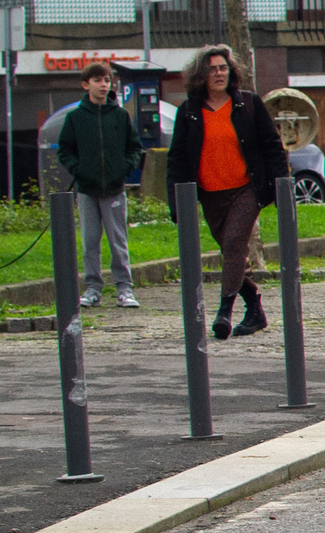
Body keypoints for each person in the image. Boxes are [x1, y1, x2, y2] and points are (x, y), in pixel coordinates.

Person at [167, 45, 288, 340]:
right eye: (212, 69)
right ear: (201, 75)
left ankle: (224, 311)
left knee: (235, 244)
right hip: (211, 194)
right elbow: (178, 158)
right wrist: (176, 201)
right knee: (230, 254)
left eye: (223, 68)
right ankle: (255, 309)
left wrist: (278, 186)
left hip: (246, 189)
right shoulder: (189, 112)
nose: (219, 74)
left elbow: (272, 146)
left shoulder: (248, 104)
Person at [55, 61, 143, 308]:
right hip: (86, 189)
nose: (104, 85)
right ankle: (93, 288)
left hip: (114, 188)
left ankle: (124, 288)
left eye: (107, 80)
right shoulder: (76, 118)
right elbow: (65, 150)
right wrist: (78, 171)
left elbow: (134, 147)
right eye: (98, 80)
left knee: (118, 240)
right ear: (86, 85)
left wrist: (124, 170)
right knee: (90, 240)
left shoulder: (120, 115)